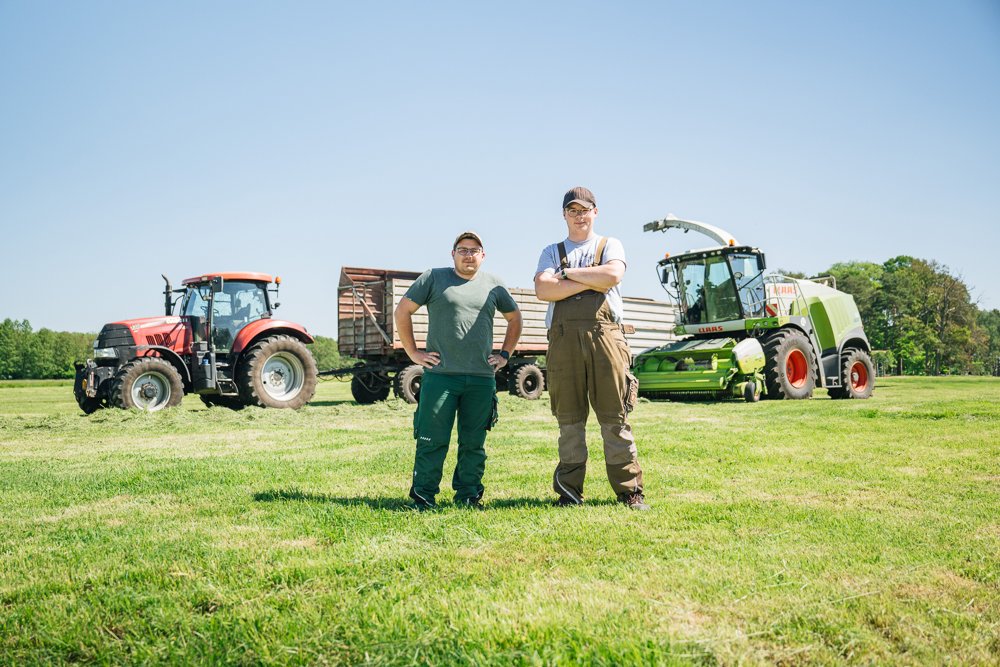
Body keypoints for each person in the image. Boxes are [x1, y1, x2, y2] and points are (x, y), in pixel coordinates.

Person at [533, 187, 649, 510]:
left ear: (595, 212)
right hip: (563, 340)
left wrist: (567, 276)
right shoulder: (551, 250)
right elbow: (543, 288)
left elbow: (613, 274)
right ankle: (569, 492)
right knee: (569, 420)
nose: (579, 215)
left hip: (606, 337)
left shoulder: (609, 245)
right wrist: (591, 279)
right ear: (564, 215)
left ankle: (629, 491)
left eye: (585, 210)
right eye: (573, 210)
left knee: (615, 417)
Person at [394, 232, 523, 510]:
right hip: (440, 377)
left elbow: (515, 318)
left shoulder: (494, 285)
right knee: (431, 439)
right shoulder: (433, 278)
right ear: (452, 253)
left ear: (483, 255)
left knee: (473, 443)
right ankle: (423, 497)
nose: (468, 255)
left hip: (480, 379)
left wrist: (504, 354)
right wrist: (413, 352)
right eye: (462, 250)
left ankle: (468, 496)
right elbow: (402, 311)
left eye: (474, 250)